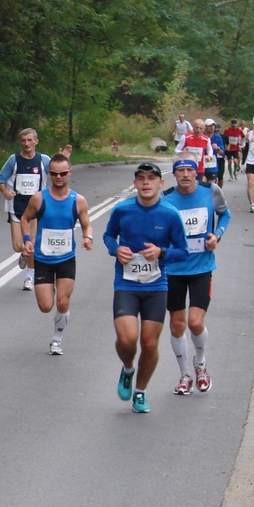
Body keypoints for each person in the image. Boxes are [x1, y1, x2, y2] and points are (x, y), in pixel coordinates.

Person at [103, 162, 189, 413]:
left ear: (161, 183)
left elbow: (182, 251)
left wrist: (161, 252)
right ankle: (128, 368)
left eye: (151, 178)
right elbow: (108, 236)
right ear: (135, 183)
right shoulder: (122, 210)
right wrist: (116, 249)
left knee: (150, 344)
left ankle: (140, 392)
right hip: (126, 284)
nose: (146, 183)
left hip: (156, 286)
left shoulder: (170, 214)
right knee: (127, 338)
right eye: (141, 178)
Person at [162, 155, 232, 396]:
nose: (185, 174)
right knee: (177, 325)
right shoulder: (166, 199)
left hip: (201, 268)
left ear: (196, 172)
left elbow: (225, 214)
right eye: (179, 170)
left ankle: (200, 364)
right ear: (174, 174)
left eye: (189, 170)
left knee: (195, 322)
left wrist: (217, 235)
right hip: (173, 270)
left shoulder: (211, 191)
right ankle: (184, 375)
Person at [19, 153, 93, 355]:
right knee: (46, 306)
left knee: (62, 301)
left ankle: (56, 340)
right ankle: (48, 286)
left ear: (70, 173)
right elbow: (25, 218)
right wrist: (27, 240)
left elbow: (86, 225)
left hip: (66, 259)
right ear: (49, 173)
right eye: (54, 173)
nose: (58, 177)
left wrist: (88, 237)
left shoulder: (78, 200)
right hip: (43, 259)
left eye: (62, 173)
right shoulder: (39, 198)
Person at [0, 128, 50, 290]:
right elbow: (0, 179)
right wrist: (6, 192)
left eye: (30, 140)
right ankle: (24, 254)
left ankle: (30, 277)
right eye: (23, 140)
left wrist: (65, 159)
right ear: (20, 142)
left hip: (35, 209)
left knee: (31, 244)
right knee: (18, 246)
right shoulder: (14, 160)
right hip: (17, 208)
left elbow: (58, 173)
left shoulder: (44, 160)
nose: (27, 144)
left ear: (36, 141)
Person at [204, 119, 225, 187]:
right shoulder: (201, 136)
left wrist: (217, 148)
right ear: (205, 127)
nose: (212, 128)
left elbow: (222, 153)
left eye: (213, 126)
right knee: (203, 184)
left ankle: (218, 191)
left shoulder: (218, 137)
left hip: (213, 164)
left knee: (212, 185)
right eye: (209, 126)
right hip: (202, 164)